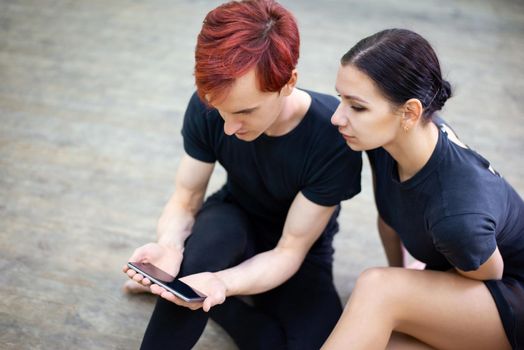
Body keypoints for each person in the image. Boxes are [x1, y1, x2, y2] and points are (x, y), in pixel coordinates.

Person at [123, 1, 362, 349]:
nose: (230, 126)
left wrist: (222, 285)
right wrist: (170, 246)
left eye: (246, 111)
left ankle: (216, 304)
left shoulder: (332, 137)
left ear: (288, 83)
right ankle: (188, 287)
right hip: (233, 218)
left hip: (299, 251)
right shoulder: (208, 107)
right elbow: (186, 199)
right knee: (202, 256)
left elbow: (288, 252)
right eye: (221, 110)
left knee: (304, 342)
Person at [325, 28, 524, 350]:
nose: (338, 118)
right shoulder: (387, 141)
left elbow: (490, 277)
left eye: (357, 107)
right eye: (341, 100)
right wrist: (405, 285)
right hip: (468, 276)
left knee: (377, 289)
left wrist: (401, 291)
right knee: (377, 330)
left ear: (410, 112)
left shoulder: (456, 213)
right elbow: (390, 218)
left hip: (509, 298)